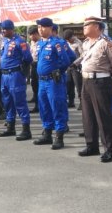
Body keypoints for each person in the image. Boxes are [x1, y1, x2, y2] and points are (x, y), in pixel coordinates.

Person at [74, 16, 112, 162]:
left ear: (96, 27)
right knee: (88, 115)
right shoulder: (87, 43)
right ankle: (91, 145)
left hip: (101, 81)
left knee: (103, 116)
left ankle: (109, 149)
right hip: (86, 80)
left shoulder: (107, 43)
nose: (84, 28)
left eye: (87, 25)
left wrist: (107, 78)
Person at [33, 18, 71, 150]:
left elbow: (66, 61)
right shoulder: (39, 44)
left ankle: (59, 137)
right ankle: (47, 133)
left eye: (43, 27)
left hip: (53, 81)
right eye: (38, 27)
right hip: (42, 81)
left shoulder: (57, 43)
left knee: (57, 107)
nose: (40, 29)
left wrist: (57, 71)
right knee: (44, 107)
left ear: (50, 28)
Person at [0, 20, 34, 140]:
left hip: (15, 75)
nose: (3, 31)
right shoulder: (5, 41)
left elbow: (28, 58)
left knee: (20, 102)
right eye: (2, 29)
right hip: (4, 75)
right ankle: (10, 127)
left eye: (5, 29)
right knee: (7, 102)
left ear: (12, 29)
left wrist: (22, 71)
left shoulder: (20, 42)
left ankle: (26, 130)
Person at [64, 29, 83, 109]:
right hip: (68, 67)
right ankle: (71, 101)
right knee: (69, 84)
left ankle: (82, 102)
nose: (69, 41)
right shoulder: (66, 44)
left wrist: (76, 63)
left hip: (76, 67)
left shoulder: (79, 43)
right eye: (67, 40)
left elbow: (83, 55)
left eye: (69, 39)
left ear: (73, 36)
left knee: (78, 85)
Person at [28, 27, 41, 114]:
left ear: (36, 34)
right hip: (33, 65)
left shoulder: (41, 43)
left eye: (32, 35)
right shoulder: (32, 43)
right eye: (30, 35)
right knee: (34, 85)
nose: (30, 37)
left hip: (39, 64)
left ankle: (40, 105)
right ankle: (36, 104)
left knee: (40, 86)